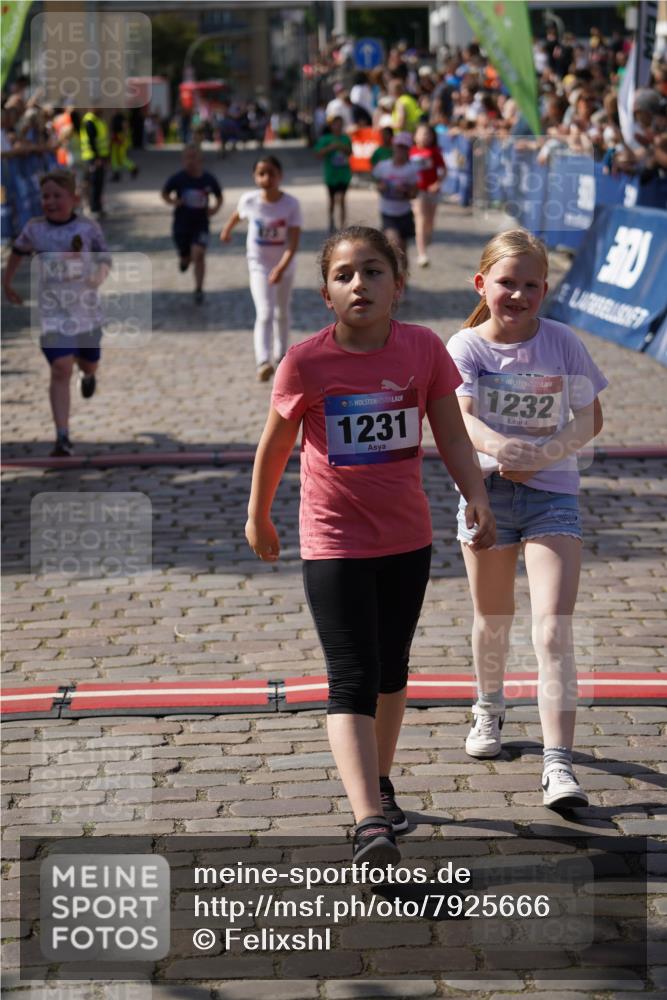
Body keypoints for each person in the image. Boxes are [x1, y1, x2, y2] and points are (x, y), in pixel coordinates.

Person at [245, 225, 495, 862]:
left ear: (398, 285)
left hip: (407, 539)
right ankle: (369, 825)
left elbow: (451, 434)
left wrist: (476, 493)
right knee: (351, 677)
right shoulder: (307, 361)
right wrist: (259, 516)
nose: (361, 283)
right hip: (333, 542)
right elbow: (275, 445)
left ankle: (379, 784)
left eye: (374, 271)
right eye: (345, 275)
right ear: (327, 294)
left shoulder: (422, 349)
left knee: (391, 671)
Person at [447, 229, 608, 811]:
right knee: (493, 618)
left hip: (552, 497)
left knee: (552, 628)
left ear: (545, 289)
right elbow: (458, 417)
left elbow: (590, 415)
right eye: (506, 283)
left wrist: (543, 455)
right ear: (482, 284)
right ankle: (488, 709)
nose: (517, 295)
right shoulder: (465, 347)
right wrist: (500, 450)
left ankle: (558, 765)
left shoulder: (563, 342)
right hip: (485, 497)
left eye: (530, 286)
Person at [2, 169, 111, 457]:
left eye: (57, 196)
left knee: (88, 364)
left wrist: (99, 273)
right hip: (52, 314)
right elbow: (18, 251)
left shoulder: (87, 228)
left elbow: (104, 256)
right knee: (60, 367)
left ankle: (87, 376)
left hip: (86, 312)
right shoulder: (35, 228)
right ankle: (62, 436)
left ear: (74, 198)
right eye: (45, 196)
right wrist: (7, 280)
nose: (49, 201)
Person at [220, 155, 302, 382]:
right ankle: (263, 361)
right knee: (265, 312)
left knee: (282, 311)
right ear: (255, 177)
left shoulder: (291, 204)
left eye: (271, 173)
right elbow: (238, 214)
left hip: (284, 265)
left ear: (280, 176)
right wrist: (227, 231)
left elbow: (293, 243)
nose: (266, 178)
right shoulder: (250, 200)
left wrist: (280, 268)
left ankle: (282, 355)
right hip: (258, 265)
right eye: (261, 174)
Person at [161, 144, 222, 305]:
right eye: (187, 158)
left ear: (201, 159)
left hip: (201, 224)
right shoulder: (178, 178)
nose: (190, 161)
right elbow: (165, 193)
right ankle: (184, 259)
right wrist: (174, 201)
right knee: (187, 257)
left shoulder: (208, 179)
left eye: (194, 157)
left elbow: (219, 196)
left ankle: (199, 289)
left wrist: (214, 209)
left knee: (199, 254)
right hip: (181, 225)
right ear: (183, 160)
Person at [371, 131, 420, 271]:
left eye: (404, 148)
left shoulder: (411, 170)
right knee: (394, 244)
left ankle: (403, 278)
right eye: (398, 147)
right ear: (393, 147)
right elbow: (377, 184)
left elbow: (415, 194)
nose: (400, 151)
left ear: (408, 150)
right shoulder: (383, 166)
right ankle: (392, 278)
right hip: (388, 212)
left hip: (404, 213)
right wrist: (381, 187)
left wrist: (405, 191)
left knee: (402, 250)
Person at [409, 123, 446, 268]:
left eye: (428, 134)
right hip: (418, 191)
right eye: (422, 133)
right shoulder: (410, 152)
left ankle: (427, 236)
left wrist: (437, 183)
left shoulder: (435, 152)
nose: (425, 137)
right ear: (415, 136)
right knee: (420, 220)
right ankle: (422, 254)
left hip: (432, 190)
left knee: (429, 221)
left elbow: (443, 170)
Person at [314, 116, 352, 233]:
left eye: (340, 124)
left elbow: (350, 152)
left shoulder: (345, 138)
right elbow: (318, 154)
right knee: (331, 200)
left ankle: (343, 225)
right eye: (336, 124)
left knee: (342, 199)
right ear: (331, 126)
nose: (338, 126)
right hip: (331, 175)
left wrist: (342, 147)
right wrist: (331, 148)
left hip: (344, 174)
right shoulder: (326, 139)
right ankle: (331, 221)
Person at [80, 107, 109, 219]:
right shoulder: (89, 121)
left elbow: (102, 139)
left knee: (99, 183)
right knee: (94, 183)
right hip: (92, 157)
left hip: (100, 156)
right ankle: (93, 208)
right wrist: (97, 158)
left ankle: (98, 206)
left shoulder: (98, 120)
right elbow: (92, 141)